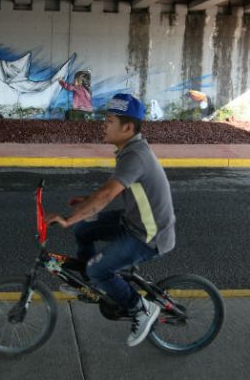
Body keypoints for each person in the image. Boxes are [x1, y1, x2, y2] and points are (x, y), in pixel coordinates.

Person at [45, 93, 176, 347]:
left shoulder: (135, 155)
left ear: (127, 128)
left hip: (149, 234)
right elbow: (117, 190)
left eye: (109, 120)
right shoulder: (130, 149)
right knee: (85, 231)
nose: (103, 125)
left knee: (98, 267)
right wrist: (85, 204)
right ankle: (87, 282)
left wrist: (69, 218)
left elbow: (107, 194)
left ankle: (141, 308)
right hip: (133, 221)